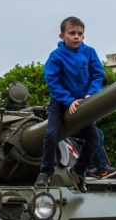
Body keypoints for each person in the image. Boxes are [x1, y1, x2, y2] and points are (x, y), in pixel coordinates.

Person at [35, 17, 103, 192]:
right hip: (60, 102)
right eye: (72, 33)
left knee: (94, 138)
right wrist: (68, 100)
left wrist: (92, 93)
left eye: (80, 34)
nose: (76, 37)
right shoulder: (56, 56)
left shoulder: (89, 52)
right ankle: (45, 172)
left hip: (82, 102)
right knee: (51, 135)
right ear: (62, 35)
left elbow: (97, 75)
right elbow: (53, 81)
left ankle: (78, 171)